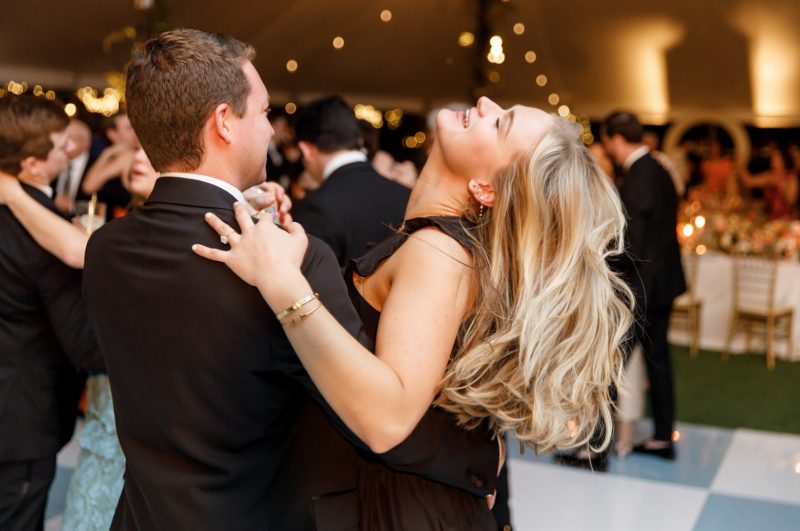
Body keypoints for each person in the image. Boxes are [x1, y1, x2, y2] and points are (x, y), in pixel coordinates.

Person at [82, 29, 501, 531]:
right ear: (224, 124)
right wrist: (477, 464)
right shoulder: (291, 263)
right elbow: (367, 414)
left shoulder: (103, 248)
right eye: (262, 113)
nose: (270, 127)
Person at [194, 96, 634, 528]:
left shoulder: (438, 251)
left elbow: (388, 418)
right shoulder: (436, 242)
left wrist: (281, 282)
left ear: (486, 188)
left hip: (393, 508)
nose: (484, 103)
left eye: (500, 123)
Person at [0, 94, 105, 531]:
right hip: (20, 419)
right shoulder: (45, 239)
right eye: (62, 146)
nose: (71, 152)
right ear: (31, 165)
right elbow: (83, 344)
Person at [601, 111, 686, 460]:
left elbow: (630, 243)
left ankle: (597, 447)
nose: (607, 150)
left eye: (607, 143)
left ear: (616, 139)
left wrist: (601, 260)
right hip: (664, 283)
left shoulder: (638, 176)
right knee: (658, 362)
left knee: (607, 361)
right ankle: (663, 437)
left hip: (642, 289)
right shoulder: (661, 168)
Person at [291, 95, 411, 266]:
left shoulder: (315, 207)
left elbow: (313, 283)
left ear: (306, 150)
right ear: (358, 139)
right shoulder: (407, 196)